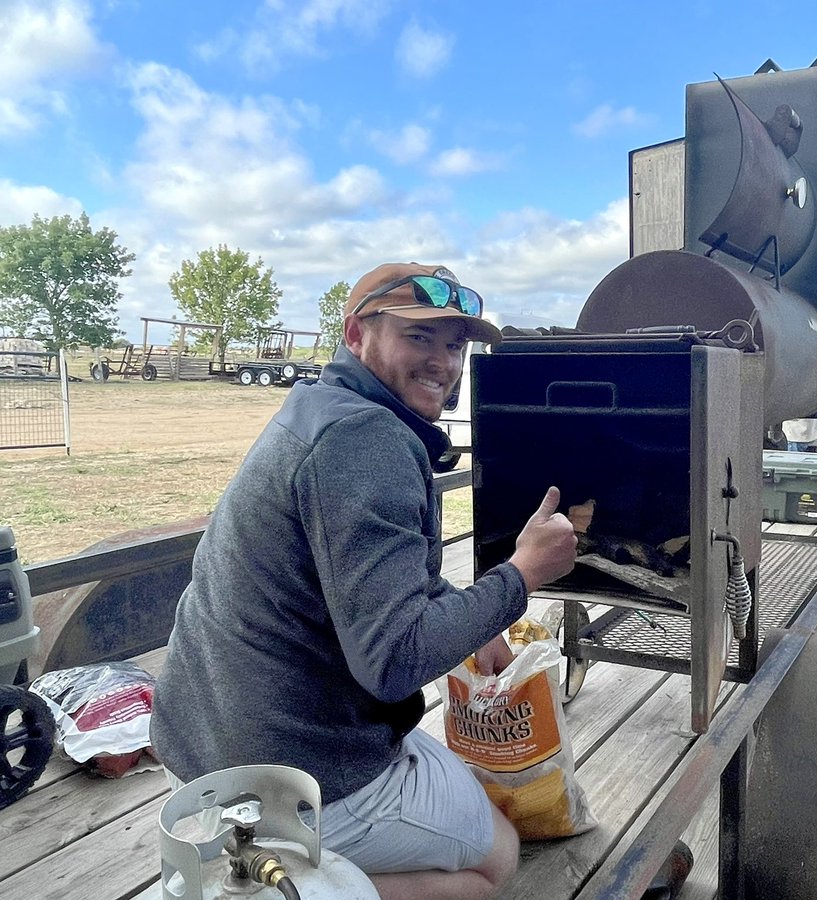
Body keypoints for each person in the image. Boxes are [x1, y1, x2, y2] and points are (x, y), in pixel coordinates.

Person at [150, 262, 579, 900]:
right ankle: (288, 890)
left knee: (464, 797)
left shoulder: (324, 406)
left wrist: (477, 625)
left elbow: (371, 575)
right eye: (419, 337)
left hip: (198, 738)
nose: (444, 361)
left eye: (454, 343)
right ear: (357, 334)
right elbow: (395, 662)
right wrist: (521, 575)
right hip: (293, 769)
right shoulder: (366, 440)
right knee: (496, 863)